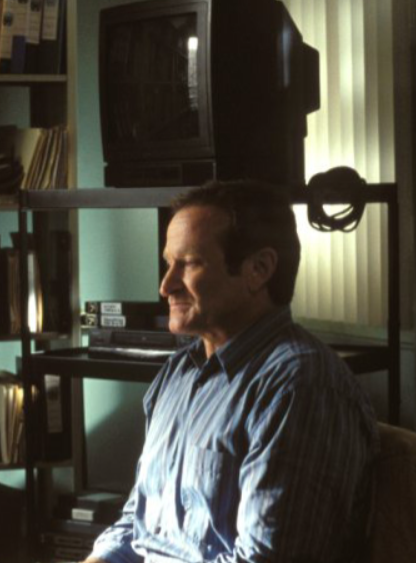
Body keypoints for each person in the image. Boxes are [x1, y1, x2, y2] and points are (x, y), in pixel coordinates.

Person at [86, 180, 378, 563]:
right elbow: (137, 525)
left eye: (189, 264)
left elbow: (268, 560)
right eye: (168, 263)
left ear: (259, 269)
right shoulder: (177, 375)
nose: (165, 286)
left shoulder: (300, 386)